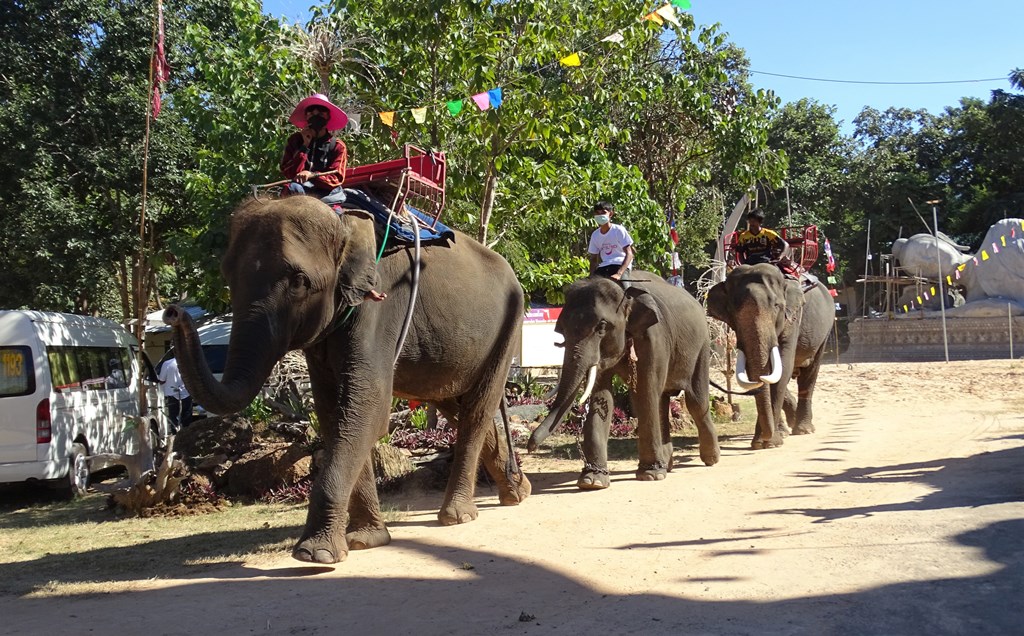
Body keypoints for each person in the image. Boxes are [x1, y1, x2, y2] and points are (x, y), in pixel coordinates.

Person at [280, 93, 349, 205]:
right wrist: (304, 146)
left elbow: (336, 177)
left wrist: (312, 175)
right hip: (299, 190)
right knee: (291, 189)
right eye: (311, 113)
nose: (316, 116)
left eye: (321, 114)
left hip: (327, 195)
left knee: (337, 215)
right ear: (306, 117)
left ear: (328, 117)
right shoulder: (295, 140)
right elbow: (288, 172)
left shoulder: (337, 146)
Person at [588, 201, 635, 281]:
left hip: (619, 264)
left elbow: (629, 253)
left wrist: (619, 274)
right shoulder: (595, 235)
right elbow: (593, 259)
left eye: (603, 212)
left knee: (624, 288)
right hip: (604, 266)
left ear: (610, 214)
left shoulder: (618, 230)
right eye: (597, 213)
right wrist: (591, 276)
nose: (600, 215)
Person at [157, 353, 192, 433]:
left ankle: (175, 435)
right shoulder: (188, 363)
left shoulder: (167, 363)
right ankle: (187, 435)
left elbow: (162, 380)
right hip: (186, 393)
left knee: (174, 418)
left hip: (172, 394)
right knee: (187, 418)